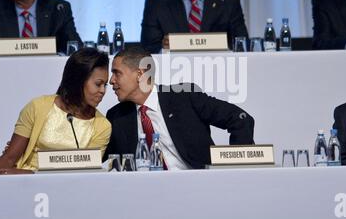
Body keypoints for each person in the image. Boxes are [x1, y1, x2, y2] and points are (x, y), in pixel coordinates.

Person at [104, 46, 255, 169]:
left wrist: (237, 168)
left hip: (199, 187)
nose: (111, 81)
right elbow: (101, 158)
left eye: (117, 73)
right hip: (147, 195)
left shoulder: (184, 97)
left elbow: (240, 119)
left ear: (140, 74)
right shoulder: (117, 116)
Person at [0, 48, 111, 173]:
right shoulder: (37, 107)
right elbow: (10, 158)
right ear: (78, 80)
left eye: (105, 85)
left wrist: (33, 173)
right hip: (27, 185)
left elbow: (86, 173)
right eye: (98, 84)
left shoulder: (102, 126)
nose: (103, 91)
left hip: (71, 188)